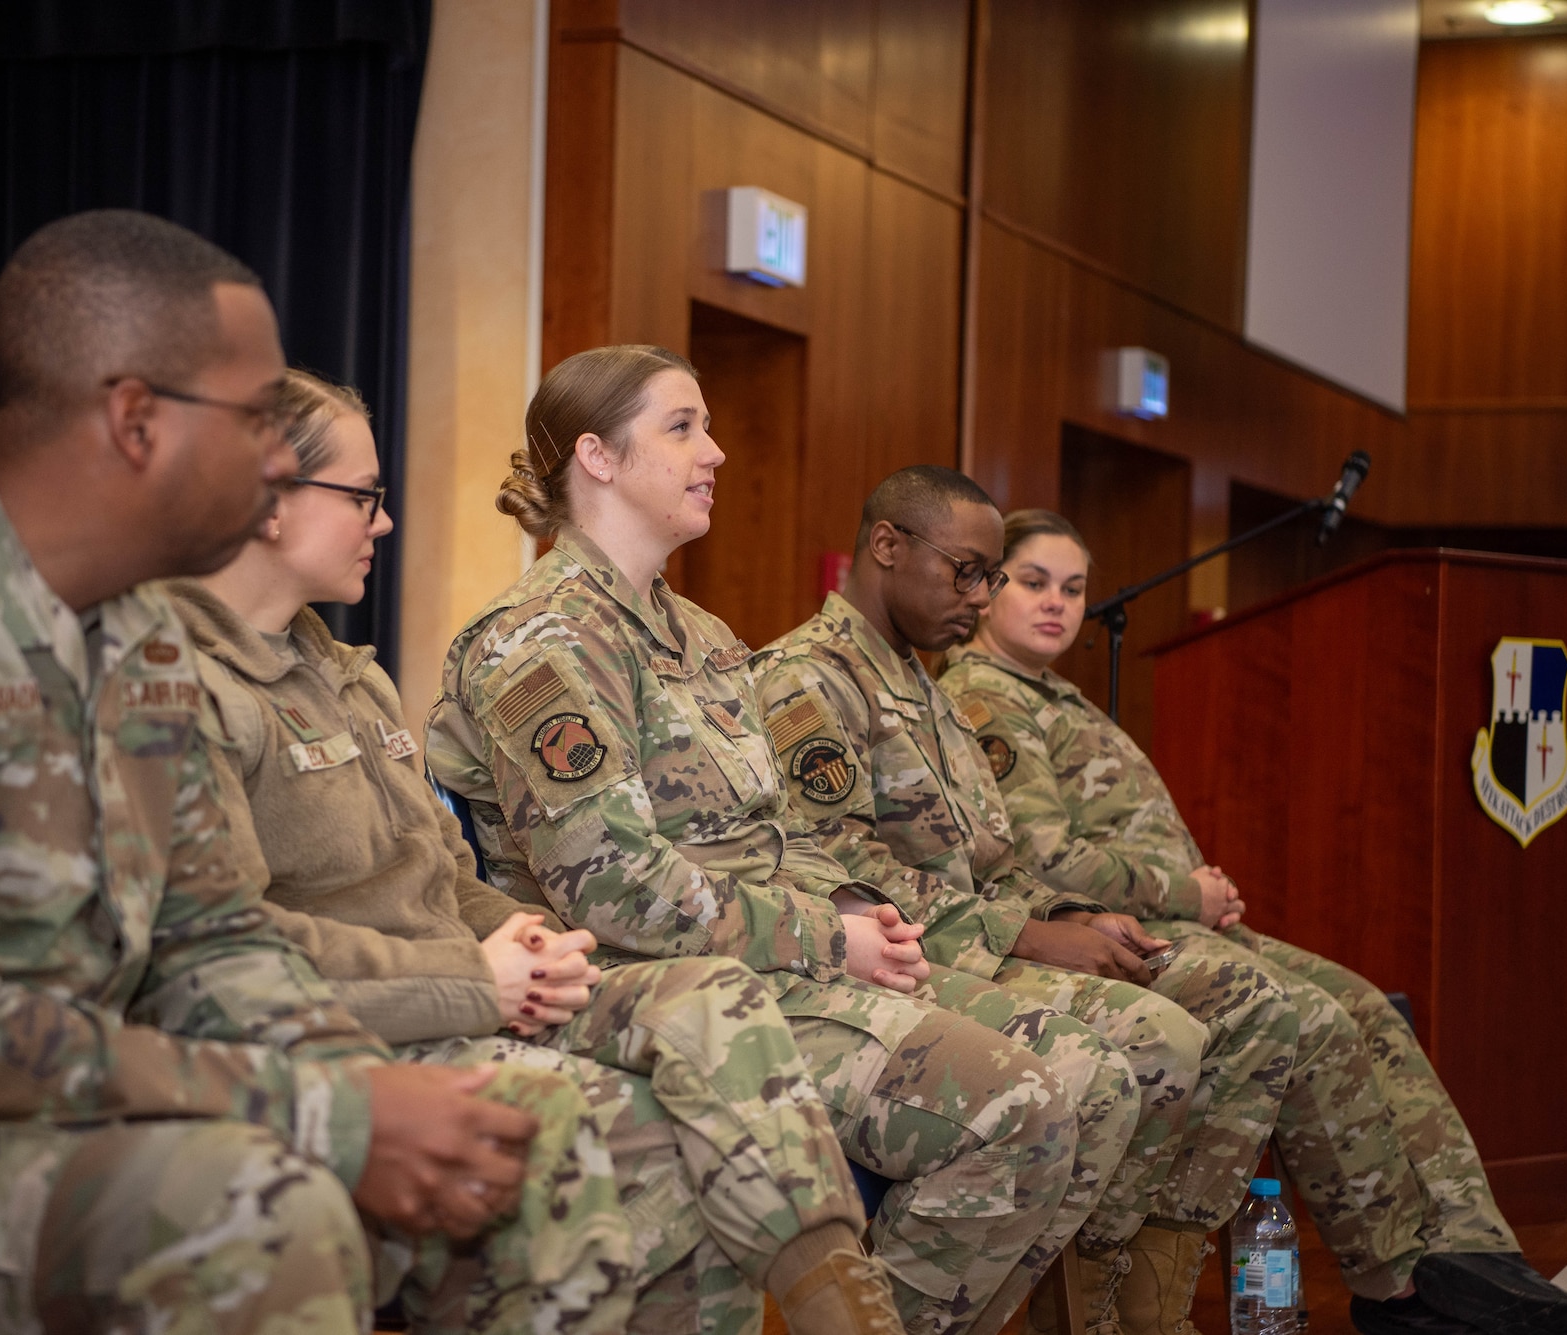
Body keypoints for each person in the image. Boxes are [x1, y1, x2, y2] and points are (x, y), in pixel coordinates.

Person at [0, 209, 636, 1335]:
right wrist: (329, 1113)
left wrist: (360, 1089)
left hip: (122, 1099)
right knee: (268, 1215)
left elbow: (212, 940)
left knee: (506, 1134)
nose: (275, 465)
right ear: (134, 420)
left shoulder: (142, 625)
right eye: (258, 422)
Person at [168, 368, 899, 1335]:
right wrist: (472, 972)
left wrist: (515, 933)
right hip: (369, 1026)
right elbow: (227, 949)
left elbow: (445, 874)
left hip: (481, 983)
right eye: (363, 497)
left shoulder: (349, 676)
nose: (383, 523)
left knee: (717, 1000)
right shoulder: (188, 690)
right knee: (648, 1144)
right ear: (268, 503)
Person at [426, 343, 1128, 1335]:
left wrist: (852, 907)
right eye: (682, 428)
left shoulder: (704, 638)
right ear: (596, 456)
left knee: (1083, 1068)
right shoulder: (541, 640)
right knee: (1016, 1106)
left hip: (773, 957)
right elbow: (614, 889)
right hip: (647, 982)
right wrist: (821, 934)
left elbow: (773, 832)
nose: (713, 452)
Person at [940, 508, 1567, 1335]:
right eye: (1032, 582)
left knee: (1364, 1003)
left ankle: (1470, 1248)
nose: (1058, 604)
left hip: (1185, 917)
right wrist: (1190, 891)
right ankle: (1398, 1283)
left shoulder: (1046, 691)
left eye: (1073, 588)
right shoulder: (984, 696)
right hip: (1122, 928)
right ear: (989, 584)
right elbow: (1045, 857)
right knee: (1315, 1020)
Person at [753, 466, 1297, 1335]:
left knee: (1229, 1013)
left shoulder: (926, 687)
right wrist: (1031, 935)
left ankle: (1109, 1305)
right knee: (1137, 1053)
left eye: (990, 576)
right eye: (965, 570)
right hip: (897, 958)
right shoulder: (806, 679)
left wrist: (1072, 915)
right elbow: (837, 867)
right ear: (887, 545)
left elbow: (991, 858)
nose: (979, 595)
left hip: (971, 937)